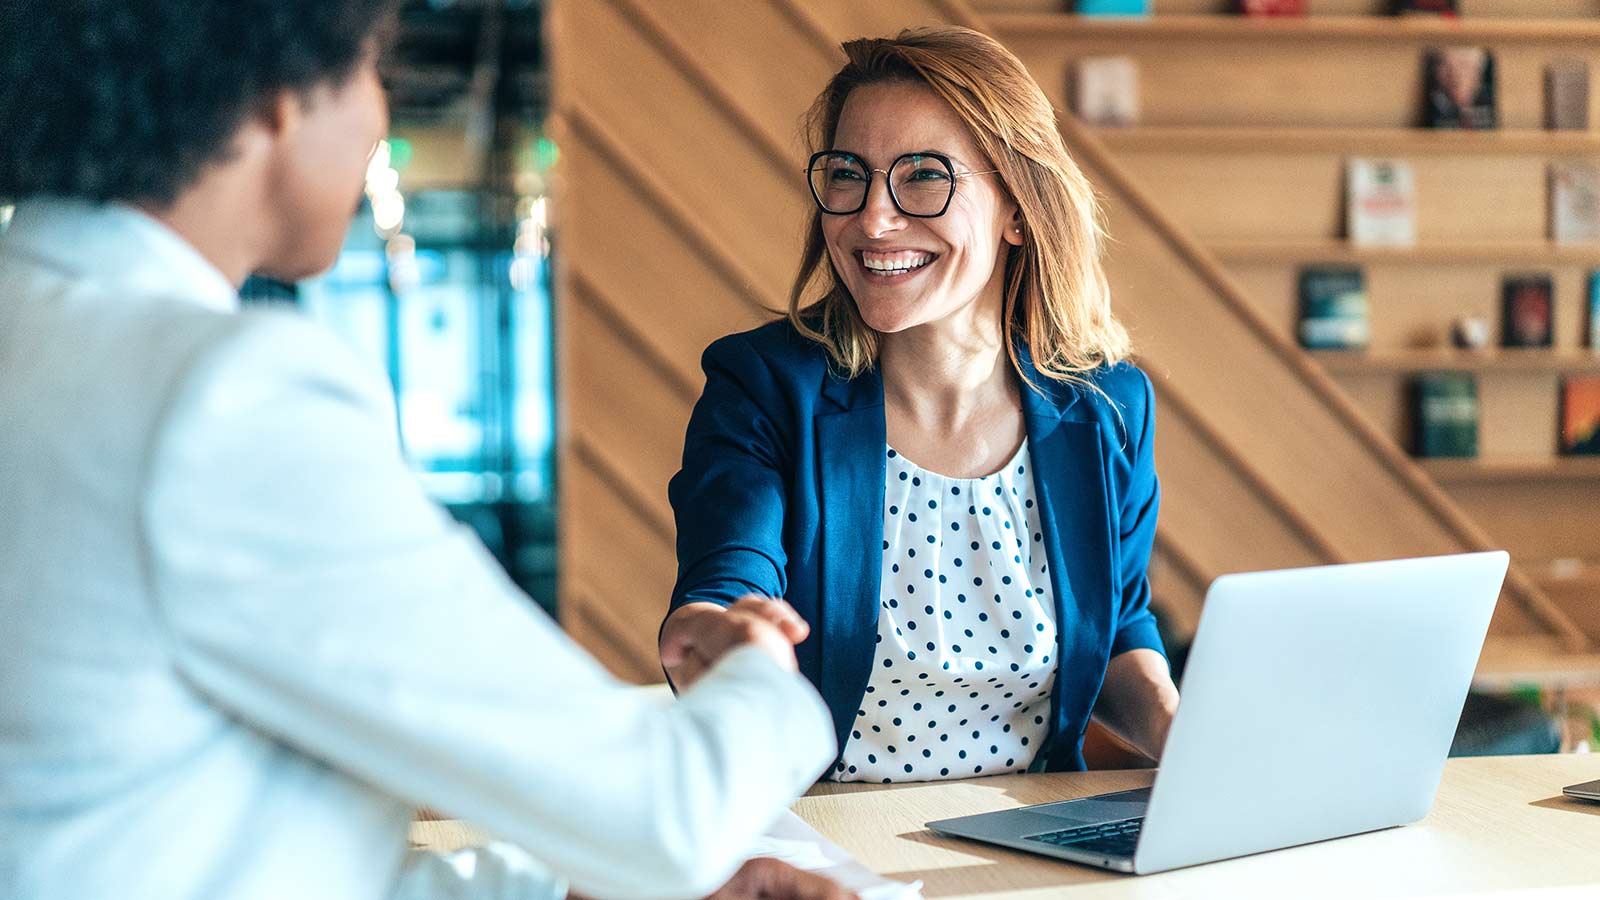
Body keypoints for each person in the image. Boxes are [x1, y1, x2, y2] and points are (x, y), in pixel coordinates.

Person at [0, 3, 851, 899]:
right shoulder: (222, 396)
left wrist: (562, 893)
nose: (381, 116)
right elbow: (670, 817)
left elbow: (175, 830)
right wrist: (761, 669)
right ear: (278, 98)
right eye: (374, 71)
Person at [658, 27, 1180, 784]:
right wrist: (717, 634)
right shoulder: (765, 385)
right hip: (826, 842)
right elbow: (725, 582)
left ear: (1018, 209)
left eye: (925, 177)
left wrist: (1179, 730)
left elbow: (1121, 621)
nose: (873, 220)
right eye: (848, 175)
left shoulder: (1108, 407)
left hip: (1031, 838)